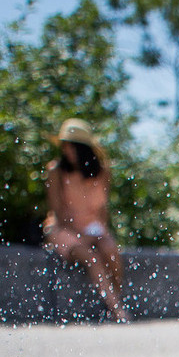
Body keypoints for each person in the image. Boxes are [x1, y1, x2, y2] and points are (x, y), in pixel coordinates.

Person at [44, 118, 129, 322]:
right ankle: (117, 310)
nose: (66, 150)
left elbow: (102, 210)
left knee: (110, 251)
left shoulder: (102, 172)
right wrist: (81, 235)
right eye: (64, 145)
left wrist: (100, 234)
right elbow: (57, 212)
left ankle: (113, 301)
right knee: (91, 258)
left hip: (93, 227)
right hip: (64, 229)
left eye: (71, 146)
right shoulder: (56, 171)